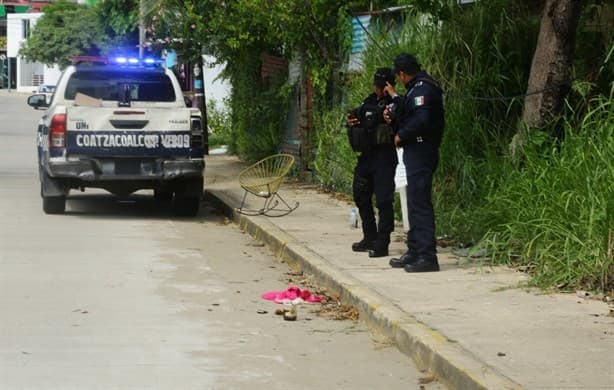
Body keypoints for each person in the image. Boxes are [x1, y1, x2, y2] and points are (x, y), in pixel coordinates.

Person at [383, 53, 444, 272]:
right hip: (414, 150)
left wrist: (401, 135)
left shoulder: (424, 89)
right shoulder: (415, 89)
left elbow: (422, 120)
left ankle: (428, 256)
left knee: (420, 203)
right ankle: (415, 250)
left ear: (402, 74)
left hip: (422, 150)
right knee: (414, 202)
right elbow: (411, 115)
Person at [347, 68, 398, 258]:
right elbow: (358, 120)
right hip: (367, 155)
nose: (378, 89)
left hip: (385, 156)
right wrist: (353, 122)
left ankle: (382, 242)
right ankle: (369, 235)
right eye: (377, 85)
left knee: (384, 200)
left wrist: (391, 100)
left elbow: (399, 119)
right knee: (360, 194)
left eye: (382, 85)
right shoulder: (367, 102)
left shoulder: (395, 103)